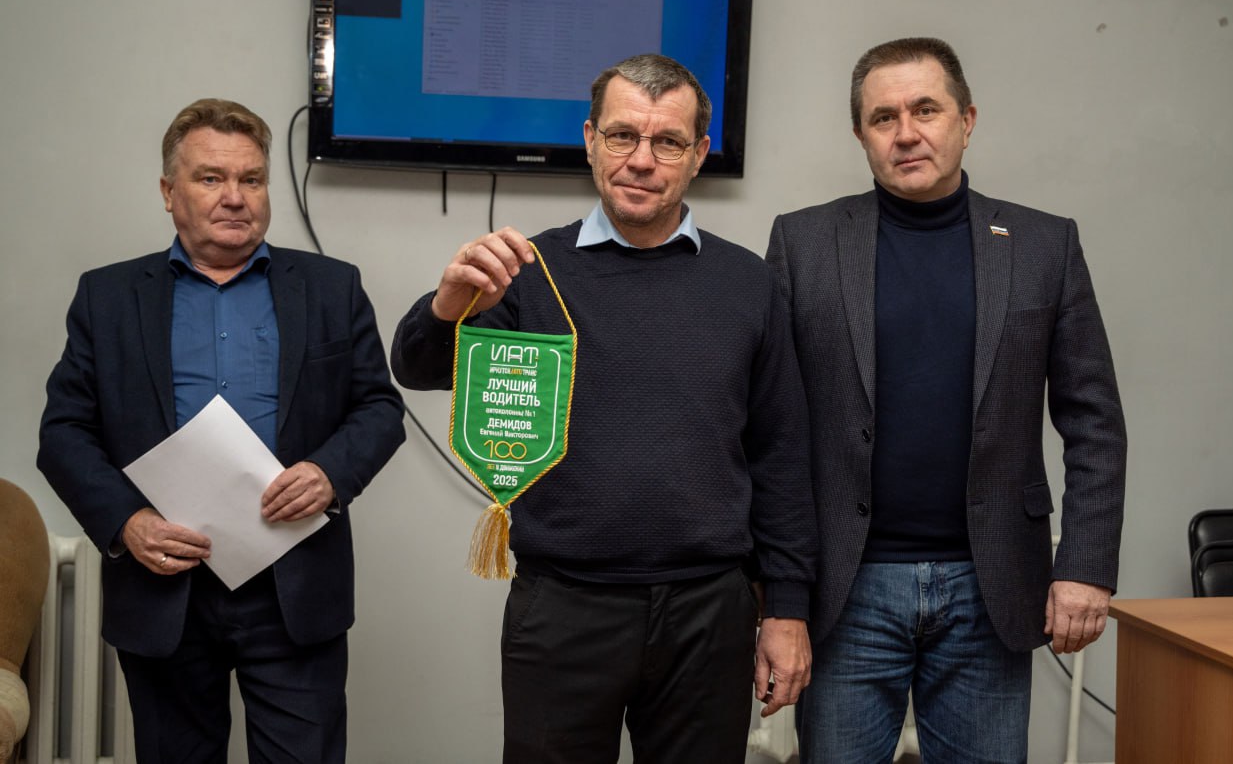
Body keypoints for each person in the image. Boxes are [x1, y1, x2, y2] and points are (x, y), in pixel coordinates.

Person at [391, 53, 817, 764]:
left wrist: (789, 608)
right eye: (622, 135)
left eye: (668, 142)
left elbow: (782, 455)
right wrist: (447, 304)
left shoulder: (749, 282)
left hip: (710, 612)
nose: (641, 160)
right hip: (563, 607)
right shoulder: (525, 272)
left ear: (699, 154)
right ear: (590, 139)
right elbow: (418, 368)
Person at [766, 37, 1126, 763]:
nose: (906, 133)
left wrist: (1085, 564)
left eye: (926, 110)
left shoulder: (1044, 244)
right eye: (884, 117)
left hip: (991, 584)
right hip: (845, 587)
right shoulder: (802, 243)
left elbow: (1095, 422)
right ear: (861, 134)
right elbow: (771, 431)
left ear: (967, 119)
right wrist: (779, 597)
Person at [38, 98, 405, 763]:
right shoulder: (107, 297)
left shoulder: (332, 287)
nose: (235, 197)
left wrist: (329, 473)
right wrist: (126, 523)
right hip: (164, 588)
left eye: (251, 179)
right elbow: (63, 431)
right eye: (211, 178)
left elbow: (380, 407)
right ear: (168, 192)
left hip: (294, 589)